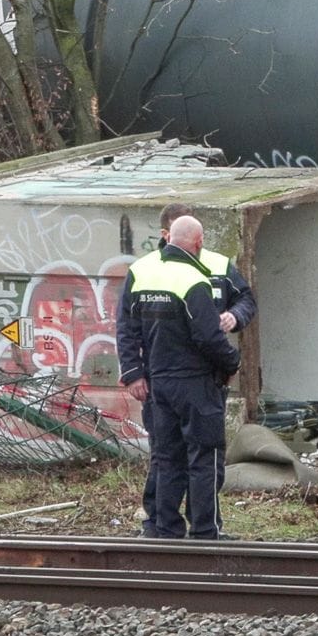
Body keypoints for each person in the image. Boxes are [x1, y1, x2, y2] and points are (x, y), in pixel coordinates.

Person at [125, 204, 256, 535]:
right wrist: (231, 363)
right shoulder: (193, 278)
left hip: (160, 380)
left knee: (167, 458)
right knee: (204, 458)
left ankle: (164, 530)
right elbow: (207, 336)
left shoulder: (143, 273)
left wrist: (236, 316)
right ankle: (204, 532)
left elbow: (129, 327)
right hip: (196, 382)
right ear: (197, 241)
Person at [127, 203, 256, 334]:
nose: (188, 235)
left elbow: (246, 299)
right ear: (166, 234)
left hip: (210, 348)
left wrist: (235, 316)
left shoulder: (219, 264)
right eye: (181, 231)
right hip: (163, 351)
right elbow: (126, 323)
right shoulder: (144, 268)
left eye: (192, 229)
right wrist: (132, 354)